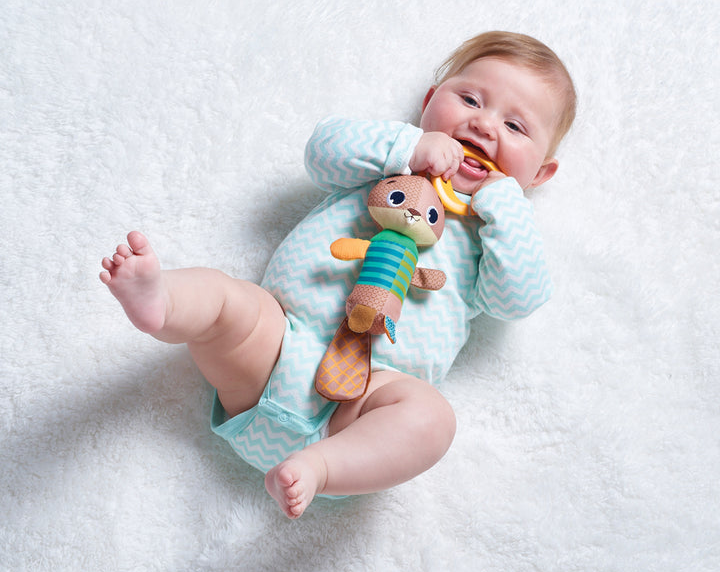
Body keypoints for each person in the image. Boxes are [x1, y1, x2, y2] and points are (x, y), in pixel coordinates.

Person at [100, 31, 576, 519]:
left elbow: (519, 298)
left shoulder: (491, 236)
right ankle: (162, 302)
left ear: (539, 174)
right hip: (276, 345)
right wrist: (408, 146)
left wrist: (504, 206)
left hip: (361, 414)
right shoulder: (385, 164)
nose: (484, 124)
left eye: (516, 127)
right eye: (470, 99)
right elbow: (321, 150)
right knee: (230, 300)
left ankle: (319, 468)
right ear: (431, 101)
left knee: (432, 419)